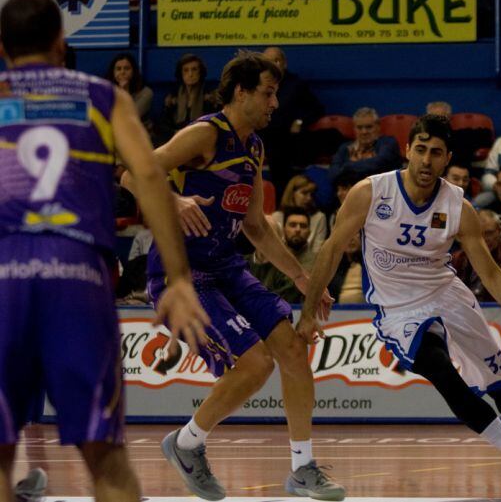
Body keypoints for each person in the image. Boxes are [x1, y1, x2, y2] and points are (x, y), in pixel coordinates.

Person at [0, 0, 210, 502]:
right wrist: (179, 279)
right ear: (61, 43)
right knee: (107, 461)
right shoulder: (103, 96)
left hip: (4, 269)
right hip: (78, 274)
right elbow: (147, 174)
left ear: (3, 48)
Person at [297, 114, 501, 496]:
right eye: (421, 150)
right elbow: (329, 249)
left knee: (500, 384)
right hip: (399, 311)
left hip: (448, 296)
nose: (427, 160)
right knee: (442, 372)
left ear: (447, 159)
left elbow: (492, 276)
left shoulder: (458, 207)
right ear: (408, 149)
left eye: (436, 153)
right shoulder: (370, 192)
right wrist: (308, 311)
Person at [121, 50, 344, 501]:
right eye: (267, 93)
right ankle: (186, 445)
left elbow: (257, 226)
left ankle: (303, 469)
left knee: (294, 350)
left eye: (275, 94)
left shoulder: (255, 147)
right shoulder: (203, 134)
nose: (274, 104)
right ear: (240, 93)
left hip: (226, 267)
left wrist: (301, 278)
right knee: (256, 363)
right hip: (182, 276)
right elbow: (130, 172)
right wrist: (172, 200)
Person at [260, 46, 324, 197]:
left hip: (286, 141)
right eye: (268, 61)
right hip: (261, 136)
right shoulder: (256, 85)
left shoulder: (296, 85)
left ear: (284, 63)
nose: (273, 64)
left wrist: (300, 121)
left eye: (276, 60)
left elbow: (317, 108)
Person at [452, 210, 501, 301]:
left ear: (499, 231)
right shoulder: (457, 259)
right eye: (479, 234)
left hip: (499, 311)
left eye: (489, 233)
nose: (484, 239)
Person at [252, 207, 316, 303]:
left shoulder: (315, 262)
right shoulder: (243, 262)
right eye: (293, 225)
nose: (298, 230)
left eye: (303, 226)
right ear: (284, 229)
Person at [328, 107, 402, 184]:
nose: (364, 132)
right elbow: (332, 174)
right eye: (359, 127)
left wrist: (347, 167)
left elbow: (378, 164)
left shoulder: (388, 143)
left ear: (378, 127)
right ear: (354, 129)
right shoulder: (345, 148)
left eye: (369, 127)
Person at [155, 53, 217, 145]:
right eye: (186, 70)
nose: (190, 74)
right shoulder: (173, 95)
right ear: (181, 73)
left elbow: (214, 123)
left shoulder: (209, 94)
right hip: (176, 137)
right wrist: (176, 133)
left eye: (194, 69)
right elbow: (162, 124)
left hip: (200, 137)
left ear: (201, 72)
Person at [270, 174, 329, 254]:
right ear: (292, 193)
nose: (309, 198)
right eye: (304, 193)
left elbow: (317, 251)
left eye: (311, 194)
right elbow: (272, 249)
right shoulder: (276, 217)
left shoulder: (319, 217)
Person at [105, 52, 153, 130]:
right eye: (118, 69)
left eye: (127, 68)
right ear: (113, 73)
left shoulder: (146, 93)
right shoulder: (106, 92)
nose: (122, 72)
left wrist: (124, 91)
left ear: (133, 71)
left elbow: (130, 117)